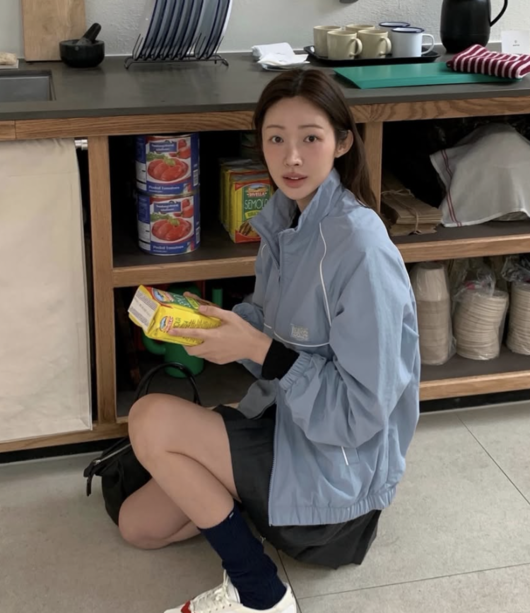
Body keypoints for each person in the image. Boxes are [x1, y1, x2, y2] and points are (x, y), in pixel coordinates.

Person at [120, 68, 420, 613]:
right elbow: (272, 337)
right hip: (286, 427)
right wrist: (211, 326)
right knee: (138, 526)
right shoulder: (284, 221)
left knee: (150, 419)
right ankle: (241, 503)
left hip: (336, 490)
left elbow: (360, 412)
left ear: (343, 142)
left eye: (311, 137)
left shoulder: (360, 249)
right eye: (276, 138)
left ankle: (262, 593)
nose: (292, 157)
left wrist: (256, 348)